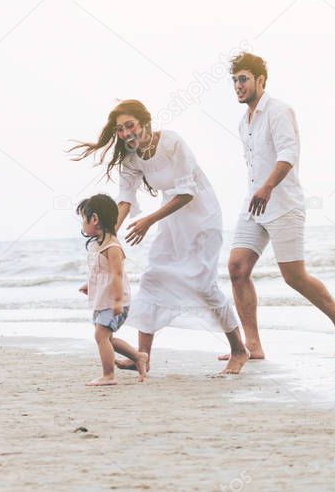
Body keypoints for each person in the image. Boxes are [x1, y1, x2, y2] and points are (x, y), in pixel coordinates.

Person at [71, 100, 250, 375]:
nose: (126, 133)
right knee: (153, 277)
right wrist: (108, 240)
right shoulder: (130, 159)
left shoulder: (172, 143)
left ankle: (239, 349)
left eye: (130, 125)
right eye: (120, 129)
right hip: (172, 220)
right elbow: (125, 201)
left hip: (202, 215)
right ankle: (142, 356)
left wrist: (149, 221)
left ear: (145, 123)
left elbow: (187, 192)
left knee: (203, 283)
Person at [221, 52, 335, 360]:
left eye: (243, 79)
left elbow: (288, 153)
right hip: (253, 204)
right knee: (237, 269)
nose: (238, 86)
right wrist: (258, 190)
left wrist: (268, 187)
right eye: (235, 81)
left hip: (283, 203)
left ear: (260, 80)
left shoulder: (279, 111)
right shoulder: (244, 122)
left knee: (294, 277)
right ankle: (252, 346)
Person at [76, 193, 148, 386]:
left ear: (95, 219)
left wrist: (117, 301)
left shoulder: (113, 247)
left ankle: (108, 375)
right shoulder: (97, 246)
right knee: (107, 338)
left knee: (100, 336)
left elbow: (116, 275)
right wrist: (88, 285)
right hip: (103, 300)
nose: (82, 224)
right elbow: (99, 272)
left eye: (84, 219)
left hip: (115, 301)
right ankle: (139, 357)